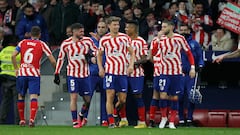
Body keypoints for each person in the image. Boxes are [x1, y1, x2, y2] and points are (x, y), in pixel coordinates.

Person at [151, 19, 195, 129]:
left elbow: (188, 53)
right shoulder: (160, 39)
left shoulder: (179, 38)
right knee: (163, 95)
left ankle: (171, 121)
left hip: (176, 72)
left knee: (175, 97)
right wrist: (157, 40)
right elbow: (154, 53)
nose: (163, 29)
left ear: (171, 27)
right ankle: (164, 118)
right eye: (162, 27)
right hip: (163, 71)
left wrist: (192, 67)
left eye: (165, 27)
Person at [54, 23, 98, 128]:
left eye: (83, 31)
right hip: (72, 74)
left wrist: (91, 55)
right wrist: (57, 73)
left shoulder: (87, 41)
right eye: (80, 31)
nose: (82, 33)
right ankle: (75, 121)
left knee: (87, 100)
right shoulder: (66, 43)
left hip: (85, 74)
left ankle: (81, 115)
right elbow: (61, 58)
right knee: (73, 97)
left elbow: (96, 51)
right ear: (74, 32)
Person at [11, 26, 56, 127]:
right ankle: (31, 119)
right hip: (34, 74)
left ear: (30, 34)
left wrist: (16, 68)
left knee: (21, 96)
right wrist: (56, 71)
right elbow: (52, 60)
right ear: (39, 35)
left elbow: (13, 55)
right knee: (33, 96)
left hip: (22, 73)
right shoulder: (41, 44)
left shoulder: (23, 42)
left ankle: (22, 120)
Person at [97, 16, 135, 128]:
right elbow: (99, 55)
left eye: (118, 24)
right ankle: (111, 122)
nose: (116, 26)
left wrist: (131, 65)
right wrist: (100, 68)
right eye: (114, 24)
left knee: (122, 100)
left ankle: (114, 112)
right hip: (110, 71)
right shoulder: (104, 39)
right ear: (109, 26)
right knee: (110, 95)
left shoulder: (125, 38)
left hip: (122, 72)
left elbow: (132, 53)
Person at [178, 24, 204, 127]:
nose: (183, 32)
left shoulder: (194, 44)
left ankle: (189, 119)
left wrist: (200, 65)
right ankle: (180, 119)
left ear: (189, 31)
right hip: (179, 74)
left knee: (191, 97)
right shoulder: (177, 43)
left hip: (191, 74)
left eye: (185, 30)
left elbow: (200, 57)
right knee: (178, 97)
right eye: (181, 30)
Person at [124, 20, 148, 128]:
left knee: (138, 96)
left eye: (128, 27)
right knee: (121, 96)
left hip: (136, 73)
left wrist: (132, 64)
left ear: (133, 29)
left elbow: (145, 59)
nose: (125, 29)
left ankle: (142, 122)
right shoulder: (122, 40)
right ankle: (123, 120)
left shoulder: (141, 41)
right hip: (122, 73)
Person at [89, 19, 109, 126]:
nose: (100, 29)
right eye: (99, 27)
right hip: (93, 72)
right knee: (88, 96)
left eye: (103, 27)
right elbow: (84, 53)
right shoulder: (91, 40)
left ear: (107, 28)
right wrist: (89, 59)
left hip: (106, 72)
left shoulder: (109, 39)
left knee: (106, 97)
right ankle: (83, 118)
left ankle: (104, 120)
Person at [0, 36, 20, 124]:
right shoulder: (18, 52)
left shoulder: (3, 51)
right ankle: (18, 121)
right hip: (15, 79)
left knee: (5, 101)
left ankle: (1, 120)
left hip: (4, 79)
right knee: (17, 101)